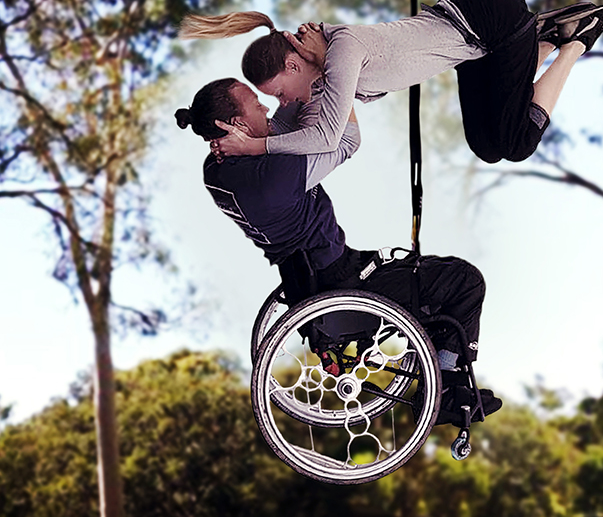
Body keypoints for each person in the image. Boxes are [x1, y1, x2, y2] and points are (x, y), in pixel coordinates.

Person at [174, 77, 502, 424]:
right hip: (343, 280)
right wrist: (338, 76)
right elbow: (345, 140)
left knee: (429, 278)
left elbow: (286, 124)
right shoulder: (274, 176)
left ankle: (441, 372)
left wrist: (302, 86)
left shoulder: (215, 171)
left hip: (310, 278)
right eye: (256, 104)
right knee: (463, 280)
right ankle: (445, 389)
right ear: (237, 124)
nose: (266, 107)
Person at [179, 0, 603, 166]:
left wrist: (255, 146)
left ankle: (574, 40)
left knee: (517, 143)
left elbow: (327, 139)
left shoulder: (342, 51)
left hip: (490, 23)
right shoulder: (333, 66)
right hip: (477, 43)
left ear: (292, 64)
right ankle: (539, 40)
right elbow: (339, 109)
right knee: (487, 148)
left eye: (278, 92)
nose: (285, 102)